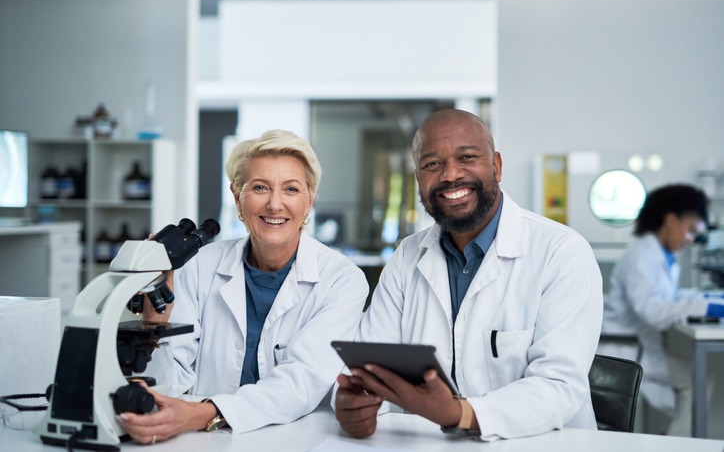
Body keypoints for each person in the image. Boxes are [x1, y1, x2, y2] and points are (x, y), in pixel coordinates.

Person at [334, 109, 603, 441]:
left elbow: (558, 387)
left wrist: (459, 413)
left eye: (467, 157)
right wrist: (355, 403)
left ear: (496, 166)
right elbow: (371, 360)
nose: (450, 175)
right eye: (432, 164)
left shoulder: (562, 252)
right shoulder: (407, 256)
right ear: (418, 177)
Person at [118, 130, 369, 444]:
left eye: (291, 189)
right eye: (260, 187)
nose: (275, 204)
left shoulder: (342, 280)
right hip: (202, 442)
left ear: (310, 200)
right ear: (237, 196)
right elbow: (167, 381)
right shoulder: (197, 266)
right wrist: (154, 324)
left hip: (296, 440)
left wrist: (203, 413)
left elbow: (302, 380)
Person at [601, 184, 724, 436]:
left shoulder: (659, 254)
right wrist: (705, 305)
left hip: (642, 344)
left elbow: (669, 296)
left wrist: (708, 298)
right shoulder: (641, 255)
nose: (691, 240)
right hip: (626, 349)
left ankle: (676, 442)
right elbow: (652, 310)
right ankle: (680, 447)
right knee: (697, 381)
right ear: (670, 219)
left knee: (698, 380)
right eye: (690, 230)